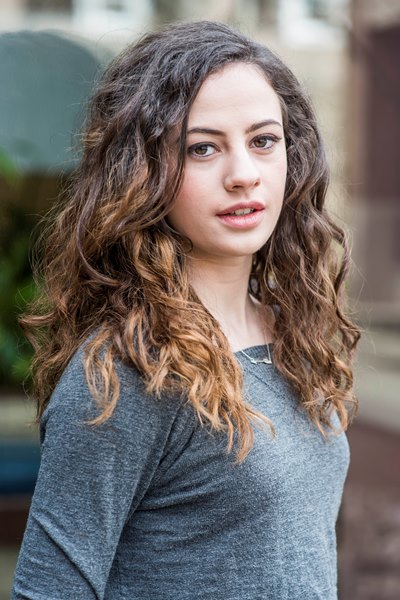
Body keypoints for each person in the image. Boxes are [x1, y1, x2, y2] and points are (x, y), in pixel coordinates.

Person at [11, 20, 360, 600]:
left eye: (263, 140)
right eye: (202, 148)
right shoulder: (125, 372)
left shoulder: (292, 332)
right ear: (143, 175)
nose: (243, 173)